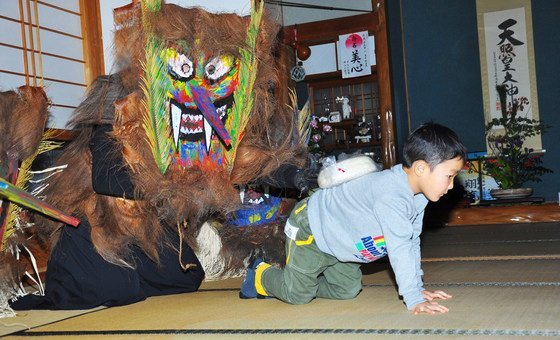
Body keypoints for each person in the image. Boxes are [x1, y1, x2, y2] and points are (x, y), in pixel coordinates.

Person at [239, 122, 466, 315]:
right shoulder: (392, 196)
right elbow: (399, 249)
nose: (451, 185)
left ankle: (300, 279)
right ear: (420, 169)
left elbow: (411, 242)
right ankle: (259, 274)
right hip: (312, 229)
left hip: (340, 244)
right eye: (449, 176)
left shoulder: (418, 198)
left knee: (347, 291)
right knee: (297, 294)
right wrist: (413, 297)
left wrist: (417, 286)